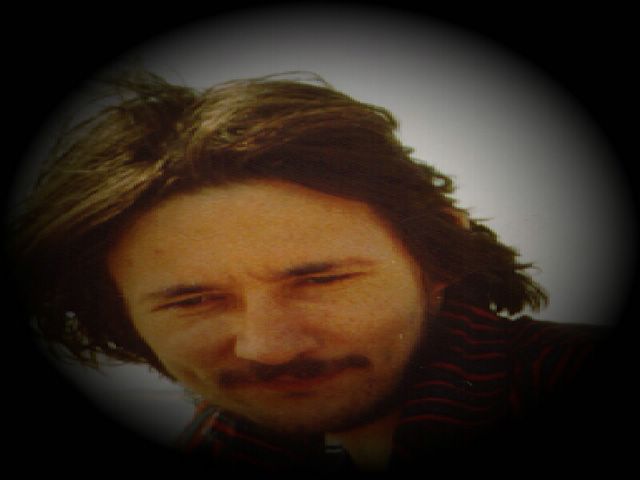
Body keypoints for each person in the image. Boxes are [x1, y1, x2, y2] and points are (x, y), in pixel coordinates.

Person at [9, 71, 608, 472]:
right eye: (191, 301)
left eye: (321, 280)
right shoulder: (222, 438)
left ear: (439, 257)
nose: (268, 347)